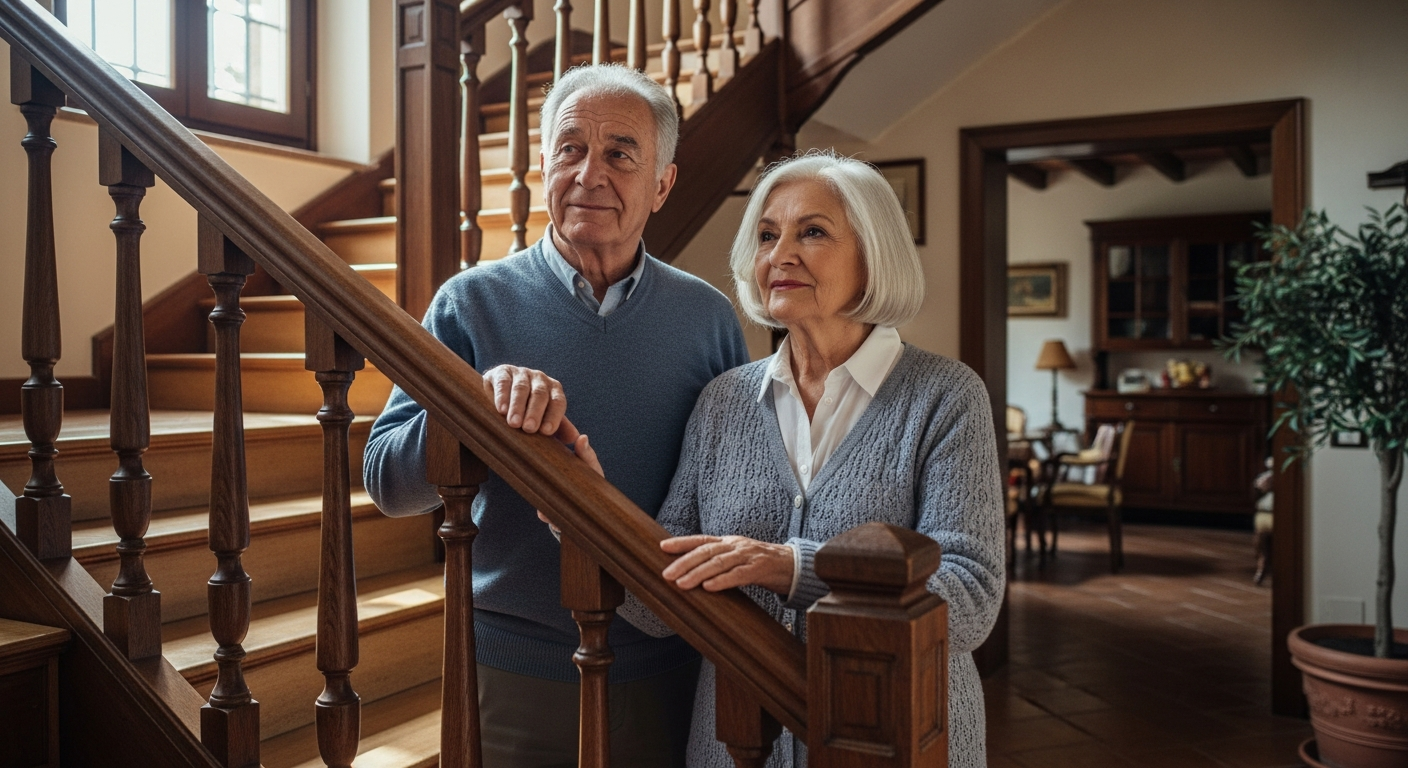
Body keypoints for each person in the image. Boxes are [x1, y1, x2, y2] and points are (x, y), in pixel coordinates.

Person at [363, 63, 750, 768]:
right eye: (570, 148)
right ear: (544, 165)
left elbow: (735, 496)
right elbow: (388, 483)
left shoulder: (709, 320)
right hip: (512, 666)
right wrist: (475, 403)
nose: (589, 174)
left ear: (663, 184)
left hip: (672, 660)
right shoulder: (468, 302)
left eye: (620, 154)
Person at [566, 150, 1006, 767]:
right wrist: (581, 506)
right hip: (735, 747)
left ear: (873, 254)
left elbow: (972, 598)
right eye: (767, 236)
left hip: (898, 740)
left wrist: (789, 568)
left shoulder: (945, 396)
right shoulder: (723, 401)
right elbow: (661, 603)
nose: (780, 255)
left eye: (814, 232)